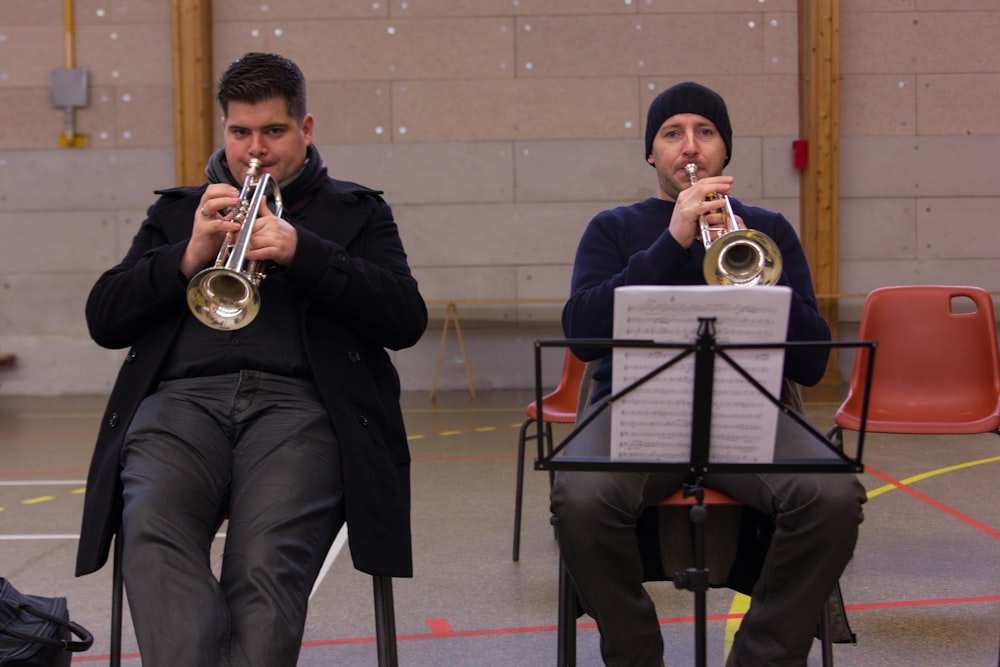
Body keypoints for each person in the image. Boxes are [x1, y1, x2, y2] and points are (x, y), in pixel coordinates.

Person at [74, 52, 427, 667]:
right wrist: (187, 255)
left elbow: (405, 320)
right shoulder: (180, 211)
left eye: (273, 131)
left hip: (302, 411)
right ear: (225, 131)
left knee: (264, 561)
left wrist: (305, 252)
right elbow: (104, 318)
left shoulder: (357, 212)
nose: (254, 150)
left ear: (306, 128)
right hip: (180, 405)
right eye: (240, 133)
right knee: (152, 533)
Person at [551, 81, 867, 666]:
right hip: (637, 412)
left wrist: (760, 281)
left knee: (834, 496)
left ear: (725, 151)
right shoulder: (614, 228)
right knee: (580, 496)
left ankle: (762, 657)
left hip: (748, 413)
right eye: (672, 134)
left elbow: (811, 362)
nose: (689, 148)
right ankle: (636, 653)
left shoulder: (766, 227)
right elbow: (584, 332)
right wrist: (672, 242)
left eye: (706, 132)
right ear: (652, 153)